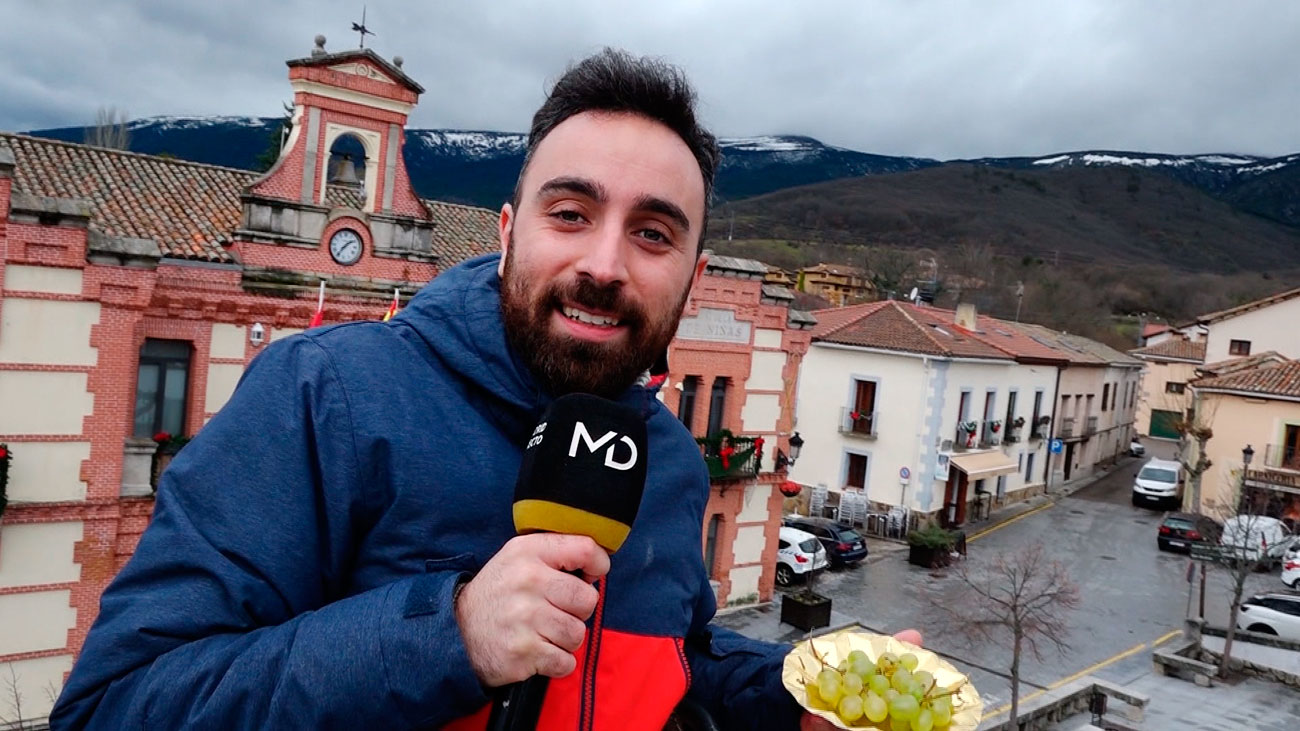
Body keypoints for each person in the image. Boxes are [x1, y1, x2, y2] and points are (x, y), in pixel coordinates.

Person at [51, 49, 915, 730]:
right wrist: (450, 633)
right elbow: (117, 706)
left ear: (690, 277)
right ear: (506, 234)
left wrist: (796, 694)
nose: (604, 265)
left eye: (653, 234)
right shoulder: (327, 396)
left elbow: (668, 663)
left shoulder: (667, 459)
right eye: (570, 213)